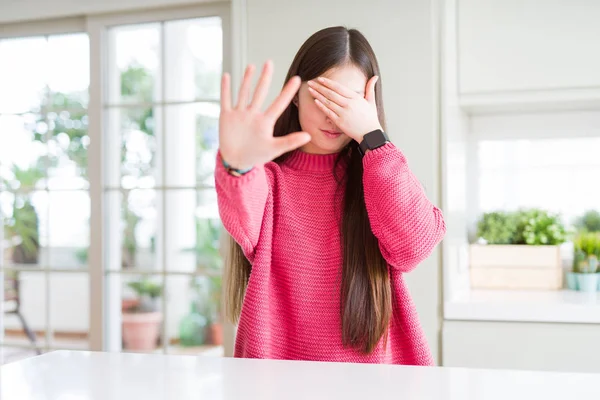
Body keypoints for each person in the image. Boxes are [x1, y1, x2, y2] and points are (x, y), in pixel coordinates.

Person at [215, 26, 446, 365]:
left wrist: (374, 140)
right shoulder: (269, 179)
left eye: (348, 102)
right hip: (277, 383)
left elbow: (413, 248)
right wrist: (237, 165)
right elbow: (243, 208)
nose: (333, 116)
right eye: (323, 96)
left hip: (377, 384)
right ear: (296, 94)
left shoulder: (380, 173)